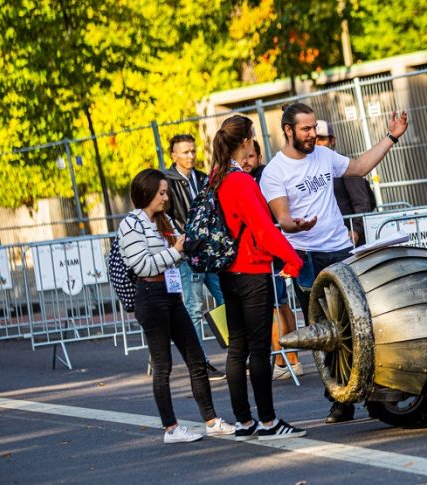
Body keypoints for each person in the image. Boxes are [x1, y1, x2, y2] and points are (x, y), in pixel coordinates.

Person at [260, 102, 408, 423]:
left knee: (359, 324)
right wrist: (294, 225)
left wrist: (391, 138)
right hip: (307, 258)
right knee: (325, 333)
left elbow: (359, 167)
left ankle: (370, 393)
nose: (313, 135)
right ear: (288, 131)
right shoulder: (275, 172)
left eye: (315, 128)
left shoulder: (324, 156)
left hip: (340, 250)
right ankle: (340, 399)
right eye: (306, 129)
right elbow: (282, 217)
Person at [117, 168, 236, 443]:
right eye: (160, 192)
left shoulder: (164, 220)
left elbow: (177, 254)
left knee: (196, 358)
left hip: (170, 293)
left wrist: (185, 248)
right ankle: (170, 428)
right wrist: (176, 251)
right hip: (149, 294)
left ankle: (211, 420)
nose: (165, 197)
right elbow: (141, 264)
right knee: (163, 365)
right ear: (145, 193)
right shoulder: (131, 224)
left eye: (166, 192)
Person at [210, 115, 306, 441]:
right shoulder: (241, 182)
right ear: (246, 141)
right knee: (259, 349)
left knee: (236, 349)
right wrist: (293, 259)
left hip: (227, 271)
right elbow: (264, 230)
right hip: (251, 271)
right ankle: (268, 421)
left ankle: (244, 421)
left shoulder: (217, 178)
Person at [165, 133, 226, 381]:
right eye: (185, 152)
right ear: (174, 155)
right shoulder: (167, 182)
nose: (190, 156)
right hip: (188, 253)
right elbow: (165, 217)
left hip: (208, 250)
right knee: (193, 307)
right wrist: (177, 243)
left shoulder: (202, 178)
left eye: (192, 151)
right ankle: (199, 362)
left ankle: (237, 353)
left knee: (225, 298)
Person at [242, 139, 302, 381]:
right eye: (243, 157)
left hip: (271, 247)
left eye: (251, 156)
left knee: (276, 305)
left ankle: (283, 359)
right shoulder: (255, 177)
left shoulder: (262, 177)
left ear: (259, 157)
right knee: (281, 303)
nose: (246, 162)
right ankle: (289, 358)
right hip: (272, 246)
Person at [314, 120, 377, 247]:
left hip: (348, 240)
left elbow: (362, 201)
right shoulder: (311, 168)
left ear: (332, 141)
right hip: (322, 243)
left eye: (321, 139)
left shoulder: (344, 165)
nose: (316, 143)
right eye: (313, 139)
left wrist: (356, 231)